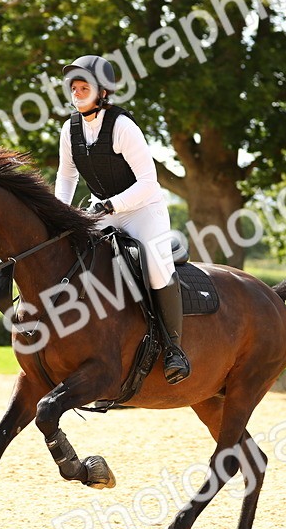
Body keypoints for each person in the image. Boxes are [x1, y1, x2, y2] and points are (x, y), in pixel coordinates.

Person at [53, 54, 190, 384]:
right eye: (74, 87)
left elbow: (148, 182)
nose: (76, 92)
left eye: (84, 87)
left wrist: (111, 205)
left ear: (102, 91)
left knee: (157, 265)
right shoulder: (70, 128)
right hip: (102, 210)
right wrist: (58, 215)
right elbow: (66, 177)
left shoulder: (123, 126)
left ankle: (174, 349)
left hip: (143, 209)